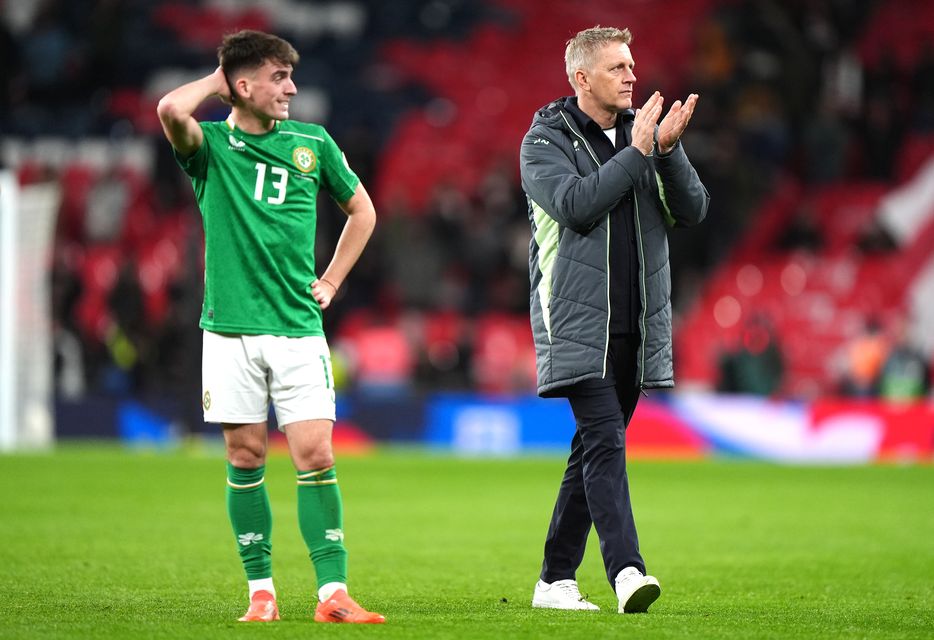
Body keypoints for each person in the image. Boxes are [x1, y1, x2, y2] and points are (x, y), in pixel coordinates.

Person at [156, 30, 383, 624]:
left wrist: (331, 280)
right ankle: (262, 593)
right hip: (228, 330)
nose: (291, 87)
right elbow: (169, 108)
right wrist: (220, 76)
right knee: (247, 455)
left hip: (297, 328)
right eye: (278, 77)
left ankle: (332, 593)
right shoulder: (207, 147)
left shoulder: (314, 142)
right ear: (244, 85)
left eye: (290, 76)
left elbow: (363, 211)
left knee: (314, 452)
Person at [519, 26, 709, 613]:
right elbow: (576, 206)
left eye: (631, 65)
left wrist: (669, 151)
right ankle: (627, 571)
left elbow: (694, 210)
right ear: (581, 79)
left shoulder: (643, 138)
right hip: (575, 323)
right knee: (604, 441)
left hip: (637, 323)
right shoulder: (543, 142)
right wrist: (641, 153)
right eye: (617, 68)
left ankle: (554, 580)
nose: (632, 76)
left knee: (594, 448)